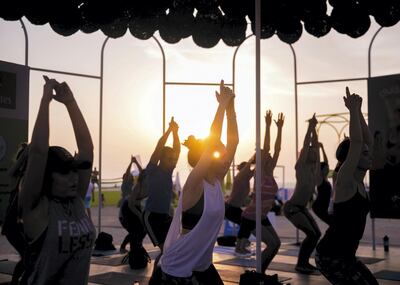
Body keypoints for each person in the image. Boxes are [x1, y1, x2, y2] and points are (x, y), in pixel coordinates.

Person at [150, 80, 238, 284]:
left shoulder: (217, 182)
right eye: (221, 154)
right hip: (175, 270)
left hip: (202, 265)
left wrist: (230, 109)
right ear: (206, 160)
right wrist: (221, 106)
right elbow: (213, 142)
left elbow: (233, 141)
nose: (227, 158)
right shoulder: (194, 186)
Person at [19, 76, 95, 284]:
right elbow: (38, 152)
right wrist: (45, 101)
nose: (73, 178)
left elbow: (87, 150)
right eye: (64, 172)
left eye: (73, 172)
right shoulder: (36, 207)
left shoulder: (76, 199)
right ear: (47, 176)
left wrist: (70, 102)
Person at [315, 88, 378, 284]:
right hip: (330, 256)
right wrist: (352, 110)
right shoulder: (345, 180)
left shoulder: (359, 181)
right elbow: (358, 142)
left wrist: (358, 112)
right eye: (364, 153)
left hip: (346, 256)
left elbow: (366, 141)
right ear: (352, 158)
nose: (370, 155)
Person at [235, 111, 284, 273]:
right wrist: (268, 126)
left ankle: (260, 272)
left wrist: (280, 129)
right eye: (266, 155)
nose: (270, 156)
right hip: (252, 216)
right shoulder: (260, 172)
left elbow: (276, 149)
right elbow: (269, 147)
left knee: (276, 244)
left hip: (261, 216)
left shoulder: (270, 171)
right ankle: (258, 274)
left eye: (269, 155)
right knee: (271, 245)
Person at [283, 113, 321, 274]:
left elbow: (315, 146)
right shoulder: (302, 167)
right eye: (310, 152)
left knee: (316, 234)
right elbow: (307, 145)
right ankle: (301, 264)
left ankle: (304, 262)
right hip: (292, 208)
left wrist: (315, 131)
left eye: (314, 151)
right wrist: (310, 127)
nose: (313, 152)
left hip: (302, 208)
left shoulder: (315, 170)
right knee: (312, 235)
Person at [142, 116, 181, 270]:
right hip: (151, 217)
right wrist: (169, 131)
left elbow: (177, 150)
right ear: (161, 158)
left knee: (171, 250)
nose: (173, 160)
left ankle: (162, 275)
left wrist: (176, 133)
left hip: (165, 216)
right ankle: (158, 278)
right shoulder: (152, 169)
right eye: (169, 158)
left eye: (173, 159)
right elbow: (159, 147)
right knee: (166, 251)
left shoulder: (169, 170)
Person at [120, 156, 145, 253]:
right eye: (129, 176)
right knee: (135, 230)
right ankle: (126, 247)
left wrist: (136, 163)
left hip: (135, 208)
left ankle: (135, 245)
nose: (131, 176)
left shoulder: (134, 185)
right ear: (125, 178)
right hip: (127, 210)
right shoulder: (125, 185)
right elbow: (127, 172)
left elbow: (143, 174)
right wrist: (131, 163)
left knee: (140, 229)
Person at [224, 154, 255, 234]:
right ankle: (241, 242)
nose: (250, 170)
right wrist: (256, 154)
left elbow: (255, 170)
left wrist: (261, 160)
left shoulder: (246, 178)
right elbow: (249, 163)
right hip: (230, 208)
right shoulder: (241, 176)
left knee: (247, 224)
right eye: (248, 169)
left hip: (234, 208)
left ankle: (242, 242)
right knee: (247, 224)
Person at [312, 142, 333, 225]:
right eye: (326, 168)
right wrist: (318, 149)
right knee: (332, 224)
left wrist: (322, 148)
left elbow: (326, 162)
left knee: (333, 223)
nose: (328, 169)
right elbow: (318, 162)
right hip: (318, 208)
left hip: (323, 208)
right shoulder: (319, 179)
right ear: (321, 170)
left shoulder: (325, 179)